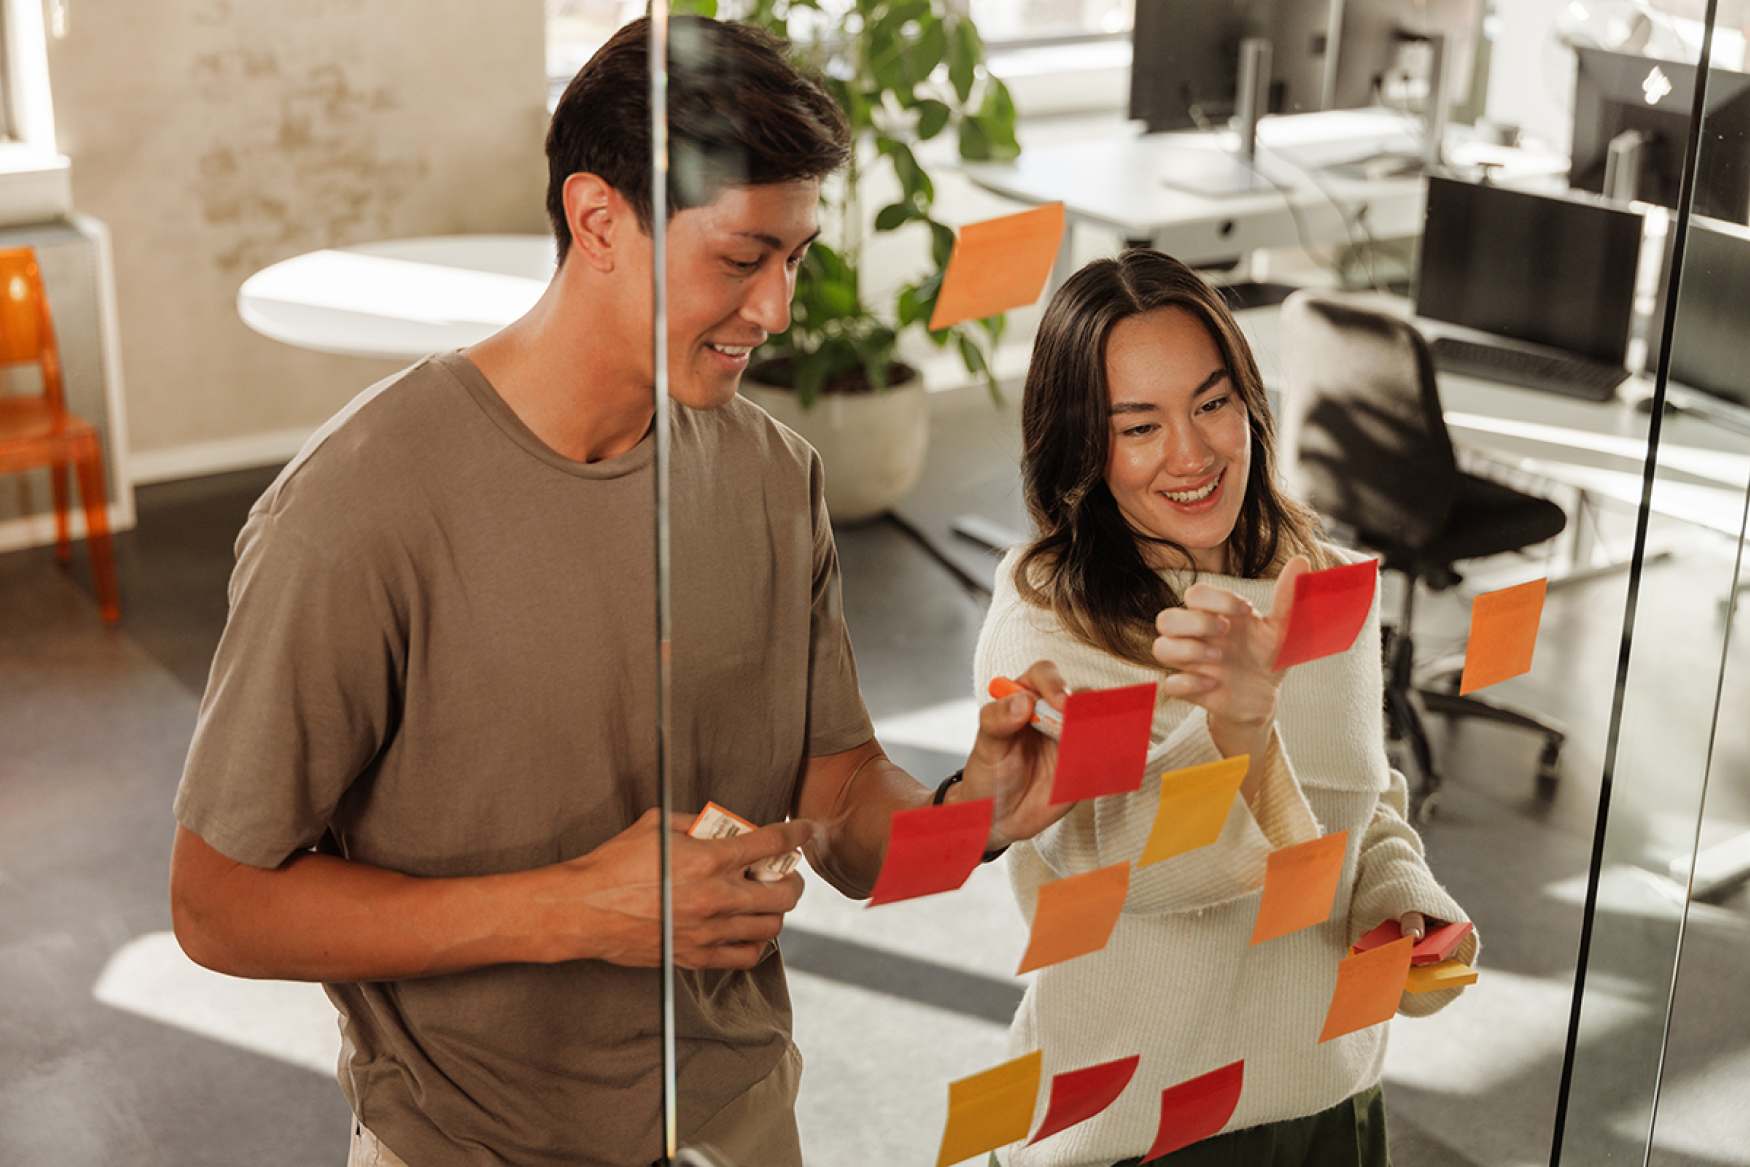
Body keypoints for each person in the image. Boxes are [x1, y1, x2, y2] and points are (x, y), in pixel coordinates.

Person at [168, 16, 1066, 1167]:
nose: (777, 309)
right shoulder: (353, 514)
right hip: (466, 1146)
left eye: (795, 259)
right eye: (741, 259)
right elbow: (216, 904)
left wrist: (968, 815)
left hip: (740, 1129)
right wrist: (578, 909)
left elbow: (834, 793)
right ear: (597, 219)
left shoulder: (771, 477)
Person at [974, 249, 1477, 1167]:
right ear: (1082, 446)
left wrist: (1404, 899)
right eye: (1139, 426)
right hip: (1135, 1130)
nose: (1194, 452)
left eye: (1212, 402)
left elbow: (1362, 796)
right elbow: (1117, 859)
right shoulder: (1045, 624)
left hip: (1324, 1099)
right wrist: (1240, 725)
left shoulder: (1315, 576)